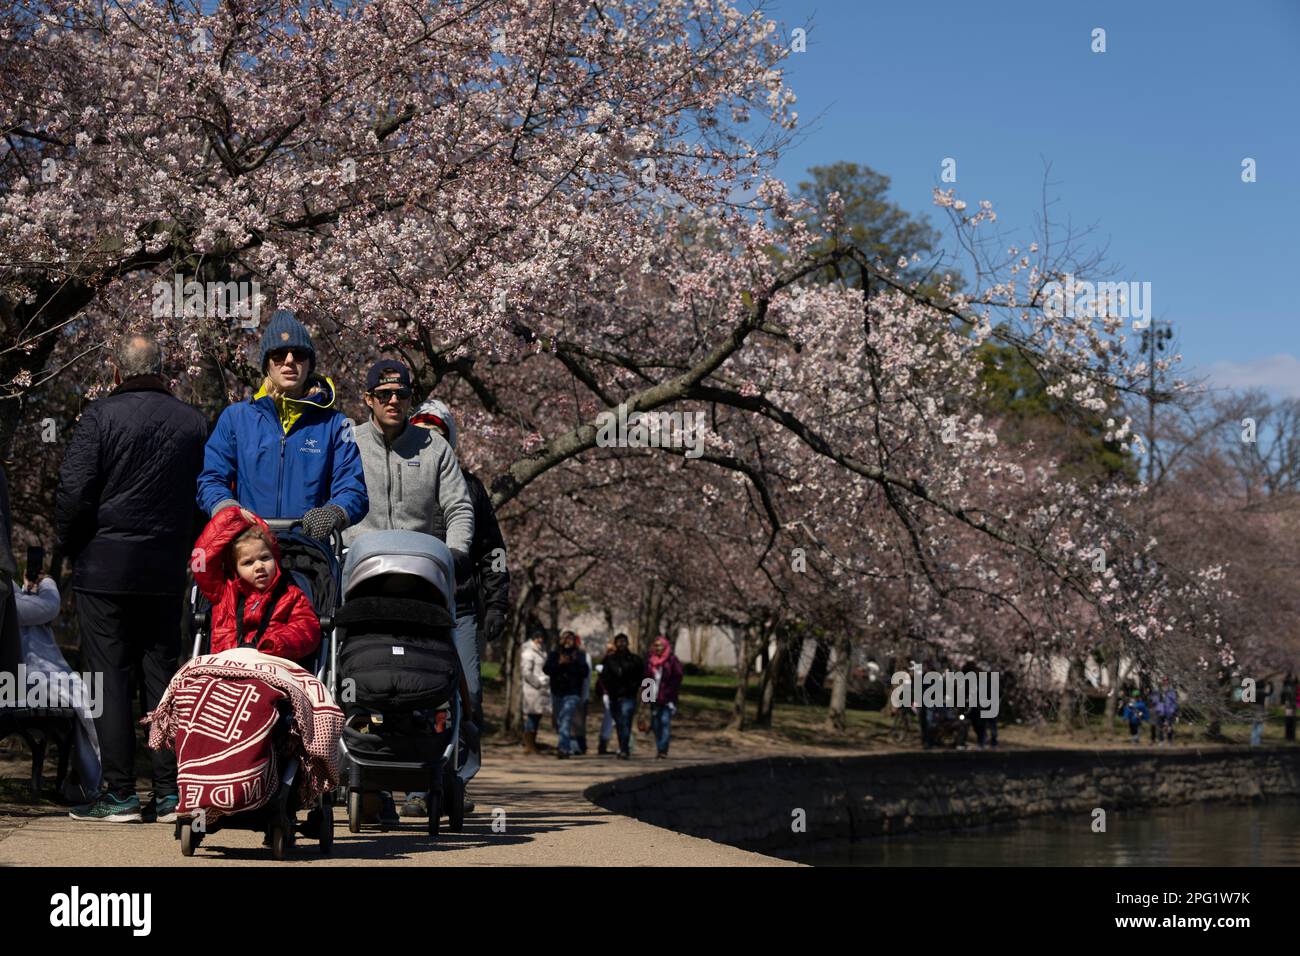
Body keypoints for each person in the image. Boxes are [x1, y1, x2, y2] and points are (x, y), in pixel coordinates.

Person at [57, 334, 209, 823]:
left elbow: (75, 491)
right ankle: (170, 792)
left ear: (116, 372)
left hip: (105, 568)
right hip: (166, 568)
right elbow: (205, 495)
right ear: (164, 370)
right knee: (163, 678)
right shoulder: (193, 421)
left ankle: (118, 792)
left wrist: (72, 546)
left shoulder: (99, 416)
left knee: (108, 679)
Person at [402, 398, 511, 812]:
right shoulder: (401, 481)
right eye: (423, 433)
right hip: (410, 606)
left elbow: (492, 551)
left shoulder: (472, 488)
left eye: (439, 434)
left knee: (470, 694)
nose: (431, 441)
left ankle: (456, 782)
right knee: (415, 695)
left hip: (461, 608)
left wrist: (497, 603)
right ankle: (414, 786)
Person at [197, 309, 367, 539]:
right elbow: (211, 479)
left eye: (298, 354)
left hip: (309, 550)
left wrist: (333, 513)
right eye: (278, 355)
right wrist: (227, 508)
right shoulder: (234, 418)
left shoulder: (336, 424)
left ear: (309, 365)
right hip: (250, 548)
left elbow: (353, 488)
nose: (289, 361)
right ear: (267, 364)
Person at [15, 569, 102, 802]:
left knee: (87, 696)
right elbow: (47, 608)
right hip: (20, 679)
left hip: (29, 674)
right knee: (84, 697)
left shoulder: (7, 589)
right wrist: (48, 583)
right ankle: (95, 782)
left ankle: (92, 779)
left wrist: (28, 589)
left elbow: (26, 610)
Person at [190, 508, 321, 659]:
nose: (259, 566)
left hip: (269, 665)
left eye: (265, 558)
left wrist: (276, 643)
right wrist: (233, 516)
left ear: (275, 558)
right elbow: (200, 557)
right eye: (248, 562)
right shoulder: (223, 592)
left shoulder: (291, 596)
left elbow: (307, 629)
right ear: (235, 568)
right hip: (226, 667)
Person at [543, 631, 589, 758]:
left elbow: (584, 672)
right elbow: (547, 669)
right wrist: (559, 663)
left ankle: (563, 748)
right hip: (557, 691)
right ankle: (565, 744)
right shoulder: (554, 654)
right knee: (560, 720)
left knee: (566, 718)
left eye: (570, 639)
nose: (568, 641)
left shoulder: (579, 655)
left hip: (572, 692)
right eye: (565, 639)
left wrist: (573, 662)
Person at [602, 633, 644, 759]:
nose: (621, 644)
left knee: (626, 721)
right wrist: (609, 689)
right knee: (620, 724)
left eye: (623, 641)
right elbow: (604, 677)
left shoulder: (635, 660)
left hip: (629, 696)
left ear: (628, 643)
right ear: (615, 644)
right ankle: (623, 746)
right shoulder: (610, 660)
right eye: (619, 642)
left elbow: (646, 679)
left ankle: (624, 749)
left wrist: (648, 699)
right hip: (614, 696)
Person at [644, 635, 683, 758]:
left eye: (660, 645)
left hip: (667, 698)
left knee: (665, 722)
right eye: (656, 645)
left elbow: (677, 677)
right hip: (653, 697)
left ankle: (663, 750)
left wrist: (670, 694)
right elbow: (647, 679)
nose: (658, 648)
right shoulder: (650, 661)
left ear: (665, 646)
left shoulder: (672, 660)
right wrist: (646, 698)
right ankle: (659, 746)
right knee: (656, 725)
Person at [520, 631, 551, 754]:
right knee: (532, 717)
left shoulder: (541, 651)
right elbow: (526, 673)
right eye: (538, 637)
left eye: (541, 637)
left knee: (537, 716)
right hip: (532, 690)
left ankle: (533, 744)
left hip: (541, 691)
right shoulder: (528, 653)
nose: (540, 640)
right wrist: (538, 682)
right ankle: (529, 745)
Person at [595, 639, 617, 755]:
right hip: (608, 694)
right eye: (609, 650)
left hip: (619, 694)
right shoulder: (605, 662)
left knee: (615, 719)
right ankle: (603, 744)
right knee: (610, 719)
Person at [574, 633, 592, 755]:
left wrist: (585, 694)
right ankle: (574, 745)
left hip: (581, 692)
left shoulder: (585, 656)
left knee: (579, 721)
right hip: (569, 691)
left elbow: (588, 677)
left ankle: (581, 745)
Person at [1154, 678, 1178, 745]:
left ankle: (1170, 741)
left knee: (1169, 727)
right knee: (1160, 727)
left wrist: (1172, 710)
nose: (1165, 682)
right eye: (1164, 681)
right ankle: (1161, 741)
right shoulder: (1158, 691)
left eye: (1166, 680)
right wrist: (1157, 708)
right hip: (1160, 712)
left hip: (1169, 712)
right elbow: (1155, 701)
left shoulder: (1172, 692)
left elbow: (1174, 702)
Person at [1283, 670, 1297, 742]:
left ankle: (1291, 736)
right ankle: (1289, 736)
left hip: (1292, 704)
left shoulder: (1293, 684)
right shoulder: (1287, 684)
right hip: (1289, 704)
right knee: (1289, 720)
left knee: (1292, 720)